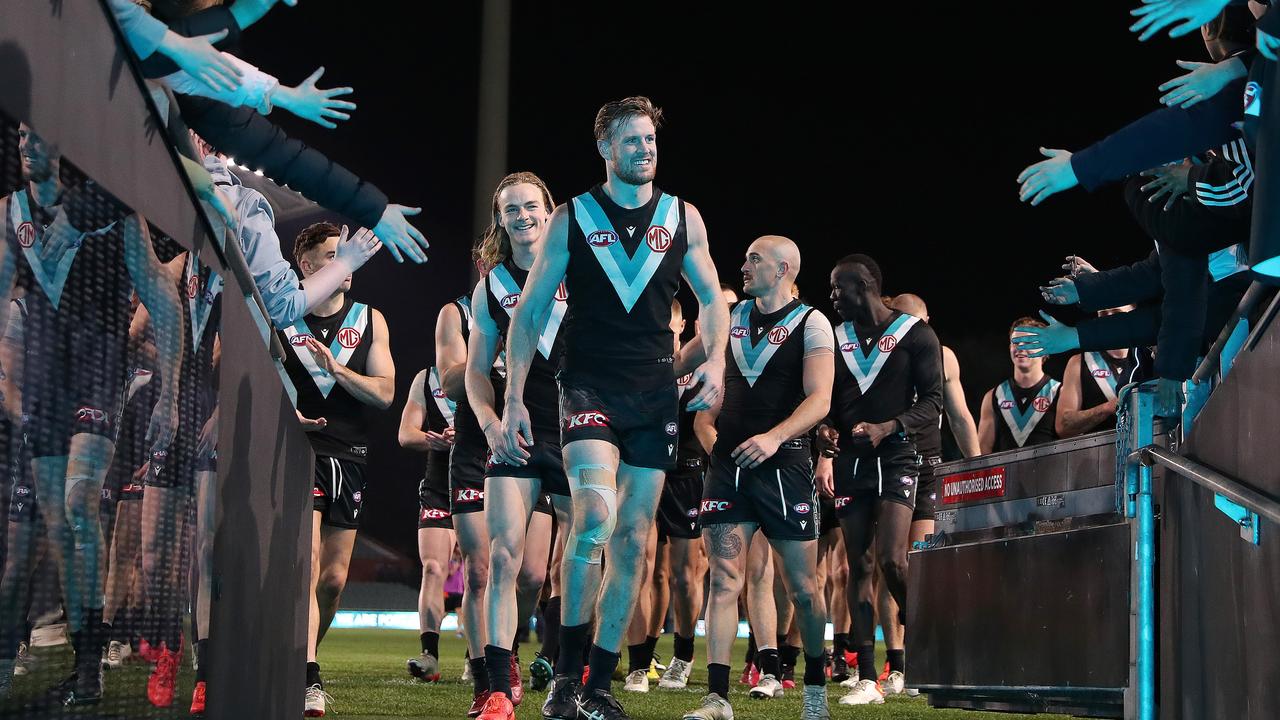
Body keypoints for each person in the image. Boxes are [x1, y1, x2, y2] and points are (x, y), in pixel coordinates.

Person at [502, 97, 728, 720]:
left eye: (650, 139)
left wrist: (713, 361)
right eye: (631, 141)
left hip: (654, 394)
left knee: (633, 540)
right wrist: (516, 396)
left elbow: (711, 299)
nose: (645, 150)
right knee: (595, 516)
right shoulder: (573, 217)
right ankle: (564, 679)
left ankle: (597, 687)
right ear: (604, 149)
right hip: (587, 387)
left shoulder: (684, 217)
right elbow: (527, 311)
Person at [683, 236, 834, 720]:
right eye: (745, 256)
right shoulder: (730, 317)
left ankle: (814, 688)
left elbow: (820, 400)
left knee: (803, 589)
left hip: (785, 466)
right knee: (724, 579)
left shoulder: (813, 324)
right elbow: (680, 360)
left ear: (783, 268)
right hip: (729, 469)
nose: (743, 266)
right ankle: (718, 697)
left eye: (754, 259)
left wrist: (773, 437)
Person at [277, 222, 395, 718]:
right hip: (299, 451)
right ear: (306, 266)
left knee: (333, 579)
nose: (344, 261)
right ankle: (307, 677)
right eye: (332, 254)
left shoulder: (371, 319)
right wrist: (287, 411)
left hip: (350, 457)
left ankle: (308, 654)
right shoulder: (284, 315)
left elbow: (386, 393)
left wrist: (339, 371)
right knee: (304, 565)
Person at [816, 254, 942, 706]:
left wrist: (890, 426)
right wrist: (824, 428)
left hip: (898, 456)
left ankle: (921, 631)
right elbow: (824, 399)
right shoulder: (835, 338)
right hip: (851, 461)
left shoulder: (917, 335)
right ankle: (867, 675)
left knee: (893, 560)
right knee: (859, 565)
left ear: (865, 284)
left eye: (837, 288)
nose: (832, 297)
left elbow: (933, 402)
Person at [978, 318, 1062, 454]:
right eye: (1015, 342)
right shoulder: (994, 396)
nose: (1020, 347)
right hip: (1007, 475)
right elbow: (982, 452)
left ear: (1045, 349)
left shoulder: (1059, 392)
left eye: (1028, 342)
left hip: (1049, 473)